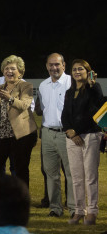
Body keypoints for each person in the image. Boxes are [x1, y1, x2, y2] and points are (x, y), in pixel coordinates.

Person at [0, 55, 38, 187]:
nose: (9, 71)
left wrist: (10, 98)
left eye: (13, 68)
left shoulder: (26, 86)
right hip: (0, 135)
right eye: (6, 69)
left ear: (20, 72)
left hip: (21, 135)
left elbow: (24, 105)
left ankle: (21, 202)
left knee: (20, 170)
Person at [62, 59, 104, 225]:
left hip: (90, 136)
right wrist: (70, 131)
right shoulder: (70, 92)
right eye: (74, 69)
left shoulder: (94, 89)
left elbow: (98, 109)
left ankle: (92, 211)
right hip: (72, 138)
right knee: (77, 177)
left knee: (90, 176)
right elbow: (64, 114)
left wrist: (92, 85)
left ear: (88, 71)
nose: (77, 72)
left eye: (81, 69)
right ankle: (79, 211)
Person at [37, 53, 74, 218]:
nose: (54, 68)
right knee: (51, 173)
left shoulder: (71, 82)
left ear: (64, 65)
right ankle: (55, 208)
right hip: (47, 133)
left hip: (66, 133)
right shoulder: (43, 85)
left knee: (72, 173)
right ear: (46, 66)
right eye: (51, 65)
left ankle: (75, 208)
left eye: (57, 64)